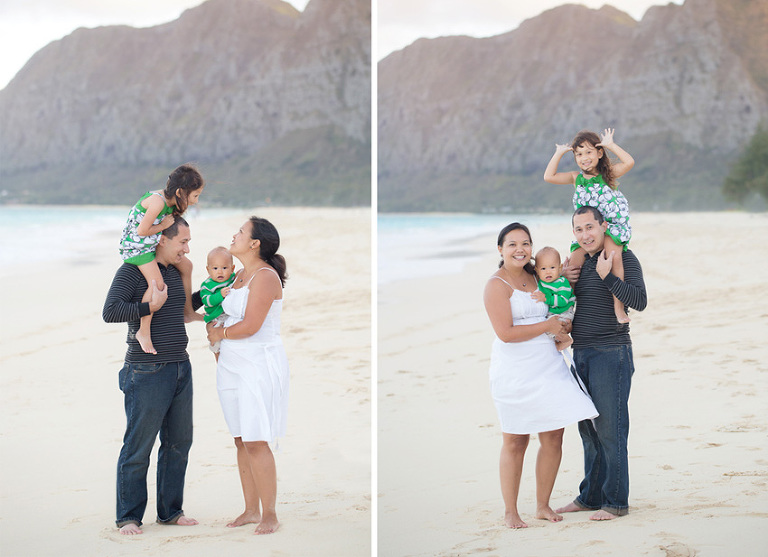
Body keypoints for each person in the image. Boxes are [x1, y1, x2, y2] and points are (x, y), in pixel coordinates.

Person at [483, 222, 598, 529]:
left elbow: (563, 297)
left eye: (525, 243)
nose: (519, 249)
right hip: (514, 370)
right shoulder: (496, 285)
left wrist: (566, 329)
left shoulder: (541, 274)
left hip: (548, 364)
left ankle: (542, 505)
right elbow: (505, 333)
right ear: (500, 250)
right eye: (512, 244)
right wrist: (548, 327)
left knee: (553, 436)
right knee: (515, 440)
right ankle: (511, 511)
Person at [103, 216, 201, 535]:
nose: (187, 248)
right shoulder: (132, 271)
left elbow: (181, 308)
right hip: (145, 369)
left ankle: (170, 512)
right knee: (139, 445)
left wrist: (215, 291)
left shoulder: (174, 271)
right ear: (162, 239)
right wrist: (146, 308)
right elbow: (111, 311)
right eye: (182, 242)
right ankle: (128, 516)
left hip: (180, 367)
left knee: (178, 443)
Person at [556, 206, 647, 521]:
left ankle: (615, 502)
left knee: (610, 428)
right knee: (588, 431)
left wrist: (608, 277)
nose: (585, 235)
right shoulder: (576, 266)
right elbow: (561, 301)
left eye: (590, 227)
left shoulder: (623, 257)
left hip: (612, 351)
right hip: (580, 353)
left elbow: (639, 300)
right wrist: (564, 281)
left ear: (603, 226)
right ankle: (590, 497)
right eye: (579, 230)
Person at [206, 216, 289, 535]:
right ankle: (250, 509)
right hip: (230, 365)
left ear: (255, 243)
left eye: (241, 232)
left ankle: (270, 513)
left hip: (257, 365)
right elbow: (216, 311)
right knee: (240, 439)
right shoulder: (238, 275)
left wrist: (220, 334)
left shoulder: (265, 277)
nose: (234, 235)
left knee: (256, 439)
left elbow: (252, 325)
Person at [543, 128, 635, 323]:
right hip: (587, 234)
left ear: (599, 153)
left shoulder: (607, 175)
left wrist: (611, 145)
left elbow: (629, 162)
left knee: (614, 257)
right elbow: (549, 176)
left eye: (589, 152)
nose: (584, 158)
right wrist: (559, 153)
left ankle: (619, 307)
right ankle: (566, 310)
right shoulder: (575, 178)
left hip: (610, 229)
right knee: (573, 266)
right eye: (579, 154)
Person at [119, 163, 205, 354]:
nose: (196, 201)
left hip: (149, 243)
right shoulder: (158, 202)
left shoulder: (171, 203)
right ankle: (143, 331)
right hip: (136, 247)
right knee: (157, 283)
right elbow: (141, 231)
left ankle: (188, 312)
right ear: (181, 192)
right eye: (195, 195)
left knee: (187, 266)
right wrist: (164, 224)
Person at [531, 246, 575, 350]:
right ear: (537, 270)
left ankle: (566, 340)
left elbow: (563, 301)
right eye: (543, 268)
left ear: (560, 268)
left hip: (564, 311)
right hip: (554, 312)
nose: (548, 272)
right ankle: (559, 338)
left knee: (551, 328)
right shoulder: (541, 282)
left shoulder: (562, 282)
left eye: (552, 268)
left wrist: (546, 298)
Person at [200, 246, 236, 356]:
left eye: (224, 268)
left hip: (229, 316)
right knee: (217, 344)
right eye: (215, 268)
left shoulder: (233, 278)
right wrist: (219, 295)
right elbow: (207, 301)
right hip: (216, 317)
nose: (220, 272)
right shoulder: (207, 285)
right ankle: (218, 356)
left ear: (232, 268)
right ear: (208, 269)